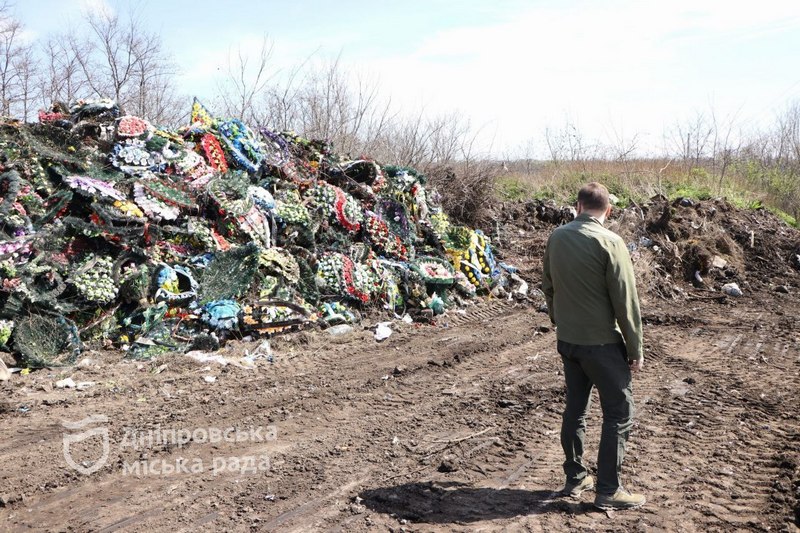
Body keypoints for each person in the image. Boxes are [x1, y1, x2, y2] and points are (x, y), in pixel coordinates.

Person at [541, 182, 646, 511]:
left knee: (576, 408)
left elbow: (548, 286)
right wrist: (635, 349)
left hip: (569, 342)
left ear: (578, 206)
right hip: (601, 344)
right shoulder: (611, 242)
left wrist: (560, 321)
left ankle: (575, 477)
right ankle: (609, 490)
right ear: (608, 210)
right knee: (619, 412)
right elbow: (625, 302)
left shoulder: (556, 237)